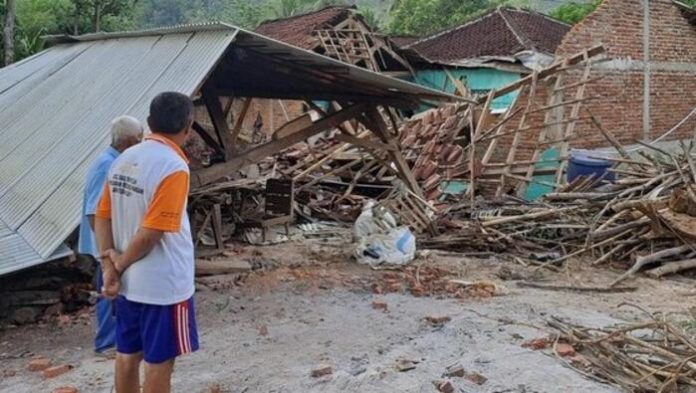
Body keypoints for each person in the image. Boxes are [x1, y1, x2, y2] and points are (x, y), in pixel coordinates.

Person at [94, 92, 198, 393]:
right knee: (159, 361)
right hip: (164, 286)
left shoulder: (124, 159)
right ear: (188, 125)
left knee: (127, 355)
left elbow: (102, 216)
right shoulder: (173, 167)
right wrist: (119, 264)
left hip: (130, 284)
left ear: (150, 122)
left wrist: (110, 268)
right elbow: (153, 232)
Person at [78, 115, 143, 354]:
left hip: (109, 244)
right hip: (106, 245)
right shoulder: (106, 165)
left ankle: (113, 340)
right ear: (129, 141)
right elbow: (95, 213)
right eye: (139, 140)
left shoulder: (112, 162)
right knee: (109, 290)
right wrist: (107, 250)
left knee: (113, 290)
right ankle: (106, 343)